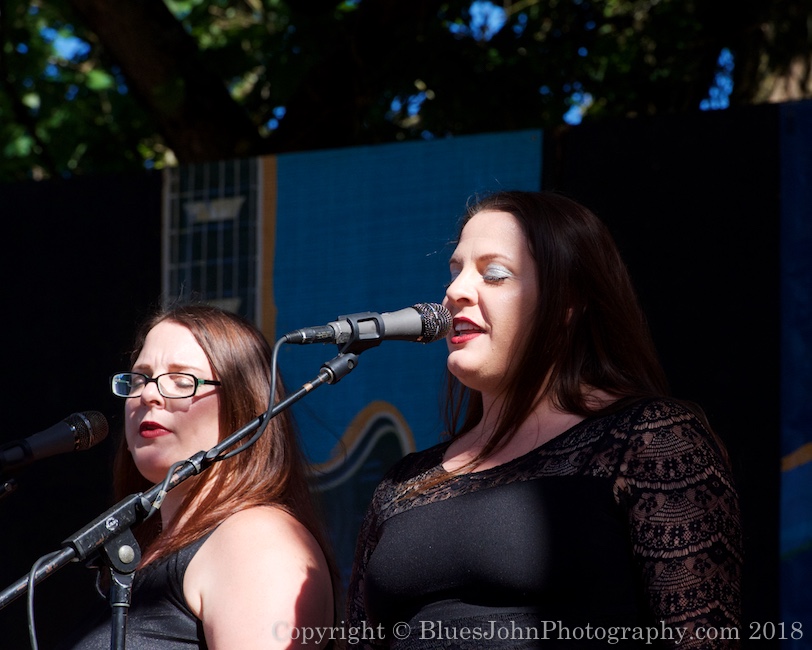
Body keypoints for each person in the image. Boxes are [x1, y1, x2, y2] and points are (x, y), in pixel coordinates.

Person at [346, 191, 742, 649]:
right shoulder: (404, 482)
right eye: (454, 272)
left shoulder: (647, 438)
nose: (454, 292)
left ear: (567, 302)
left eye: (494, 275)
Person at [64, 304, 337, 649]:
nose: (148, 394)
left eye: (181, 380)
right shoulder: (146, 556)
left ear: (244, 407)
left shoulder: (254, 540)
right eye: (139, 378)